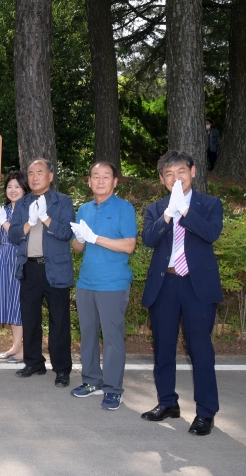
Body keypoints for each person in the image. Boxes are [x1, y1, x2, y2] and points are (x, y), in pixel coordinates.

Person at [140, 150, 223, 436]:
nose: (176, 177)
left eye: (181, 171)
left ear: (193, 172)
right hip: (165, 284)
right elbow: (149, 239)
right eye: (169, 173)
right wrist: (168, 214)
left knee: (200, 350)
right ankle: (167, 403)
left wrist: (185, 211)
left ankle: (206, 412)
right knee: (163, 348)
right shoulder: (156, 208)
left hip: (196, 286)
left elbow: (211, 233)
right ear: (163, 179)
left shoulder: (210, 204)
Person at [69, 162, 137, 410]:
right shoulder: (84, 209)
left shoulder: (124, 208)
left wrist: (95, 238)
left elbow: (129, 245)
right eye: (95, 176)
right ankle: (91, 381)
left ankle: (112, 388)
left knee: (112, 338)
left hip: (113, 282)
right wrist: (79, 238)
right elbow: (78, 248)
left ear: (115, 181)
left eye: (106, 176)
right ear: (89, 181)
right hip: (86, 282)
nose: (100, 180)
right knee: (87, 335)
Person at [8, 158, 75, 387]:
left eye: (39, 172)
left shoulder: (63, 202)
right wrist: (29, 221)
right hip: (29, 267)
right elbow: (14, 235)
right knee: (30, 318)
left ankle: (62, 369)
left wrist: (45, 218)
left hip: (55, 268)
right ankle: (34, 361)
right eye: (31, 173)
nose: (35, 177)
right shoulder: (24, 202)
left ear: (51, 176)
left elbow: (66, 232)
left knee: (59, 320)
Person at [0, 171, 30, 363]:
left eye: (17, 187)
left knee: (20, 305)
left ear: (24, 189)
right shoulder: (3, 210)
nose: (13, 190)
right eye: (9, 187)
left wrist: (3, 221)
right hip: (4, 259)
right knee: (9, 304)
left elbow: (18, 236)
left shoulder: (28, 211)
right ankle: (15, 346)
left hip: (20, 259)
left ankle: (25, 349)